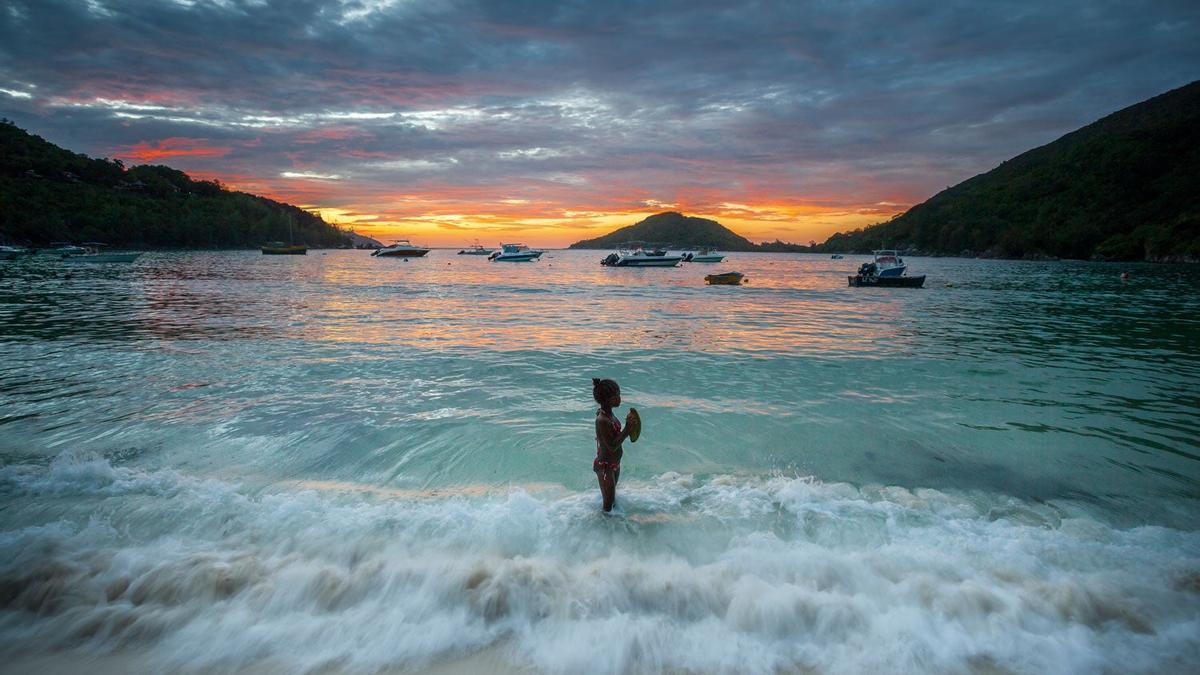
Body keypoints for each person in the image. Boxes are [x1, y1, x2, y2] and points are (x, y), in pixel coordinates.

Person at [592, 378, 634, 512]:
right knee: (608, 506)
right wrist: (627, 430)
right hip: (605, 467)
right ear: (607, 400)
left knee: (612, 499)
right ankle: (602, 528)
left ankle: (614, 526)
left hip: (614, 464)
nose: (619, 398)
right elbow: (611, 446)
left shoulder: (608, 414)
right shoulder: (602, 420)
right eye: (616, 396)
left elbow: (611, 437)